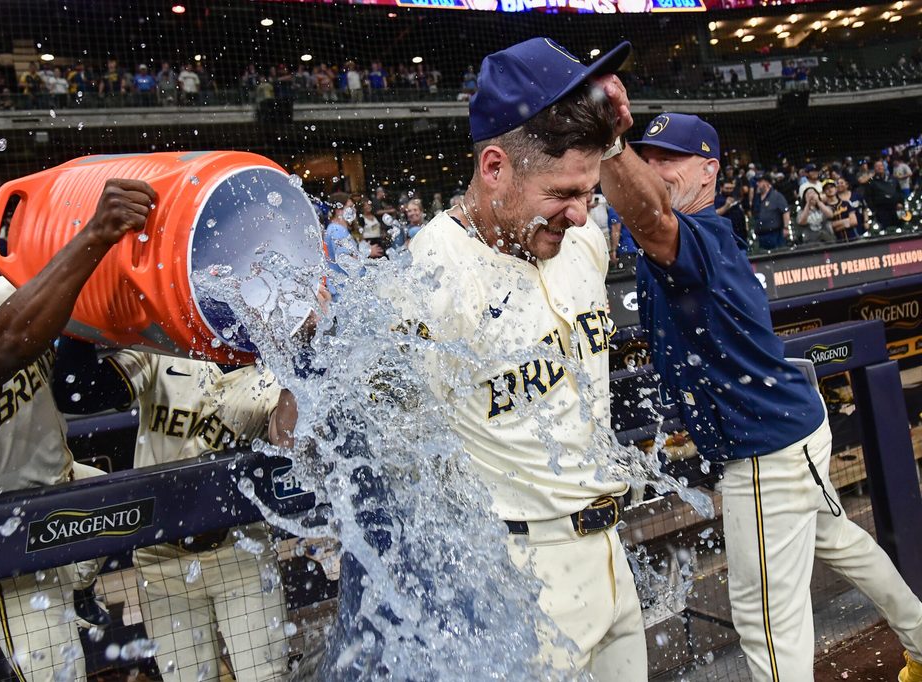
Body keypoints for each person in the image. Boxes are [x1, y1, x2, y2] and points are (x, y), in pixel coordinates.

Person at [594, 100, 922, 682]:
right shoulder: (678, 235)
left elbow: (650, 219)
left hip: (767, 451)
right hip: (793, 425)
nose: (656, 168)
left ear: (709, 170)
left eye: (672, 158)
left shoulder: (694, 235)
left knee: (764, 621)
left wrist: (614, 141)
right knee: (837, 539)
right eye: (648, 157)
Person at [388, 37, 645, 677]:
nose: (584, 215)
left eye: (590, 192)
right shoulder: (429, 275)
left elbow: (655, 216)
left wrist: (613, 141)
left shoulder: (576, 243)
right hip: (520, 578)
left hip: (612, 556)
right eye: (565, 193)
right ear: (496, 167)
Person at [0, 179, 155, 680]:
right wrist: (97, 230)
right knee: (57, 673)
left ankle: (82, 585)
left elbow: (70, 283)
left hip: (63, 494)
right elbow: (5, 344)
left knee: (150, 501)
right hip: (3, 535)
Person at [52, 341, 295, 681]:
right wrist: (77, 321)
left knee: (267, 677)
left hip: (239, 554)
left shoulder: (274, 370)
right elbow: (78, 392)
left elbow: (287, 440)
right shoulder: (165, 346)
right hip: (160, 565)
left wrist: (302, 355)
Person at [752, 174, 790, 250]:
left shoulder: (776, 196)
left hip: (775, 233)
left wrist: (786, 227)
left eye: (760, 181)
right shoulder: (757, 198)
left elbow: (785, 212)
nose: (757, 184)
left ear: (766, 182)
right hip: (761, 234)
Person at [714, 178, 749, 247]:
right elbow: (713, 215)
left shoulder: (736, 198)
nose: (729, 190)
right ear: (721, 188)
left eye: (731, 188)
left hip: (739, 235)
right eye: (727, 188)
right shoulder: (716, 200)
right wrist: (726, 206)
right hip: (725, 237)